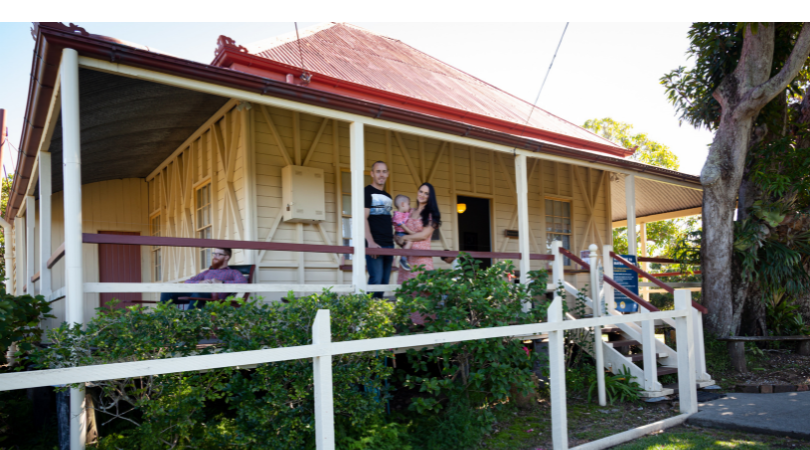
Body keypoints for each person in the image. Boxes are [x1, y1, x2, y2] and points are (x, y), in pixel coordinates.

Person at [160, 248, 247, 309]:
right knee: (167, 291)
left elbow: (243, 283)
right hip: (197, 293)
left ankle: (189, 326)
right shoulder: (207, 272)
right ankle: (166, 321)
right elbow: (187, 282)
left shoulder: (233, 272)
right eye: (214, 254)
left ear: (226, 257)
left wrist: (222, 283)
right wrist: (200, 282)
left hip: (214, 298)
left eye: (218, 254)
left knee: (197, 294)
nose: (215, 256)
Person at [395, 182, 442, 284]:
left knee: (422, 291)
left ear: (430, 197)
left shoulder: (431, 214)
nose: (422, 195)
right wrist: (398, 237)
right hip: (406, 258)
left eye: (426, 193)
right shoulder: (409, 211)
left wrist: (405, 237)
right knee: (406, 291)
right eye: (421, 191)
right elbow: (399, 226)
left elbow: (423, 235)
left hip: (422, 257)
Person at [365, 161, 394, 298]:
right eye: (378, 171)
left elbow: (386, 221)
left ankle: (377, 316)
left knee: (383, 283)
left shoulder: (388, 197)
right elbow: (363, 218)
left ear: (387, 174)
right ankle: (366, 315)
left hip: (389, 245)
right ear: (372, 174)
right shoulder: (367, 192)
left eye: (384, 171)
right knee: (375, 280)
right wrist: (370, 243)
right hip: (375, 244)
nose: (381, 174)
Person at [392, 194, 414, 271]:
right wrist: (412, 233)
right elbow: (403, 226)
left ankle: (402, 259)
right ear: (402, 204)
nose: (409, 206)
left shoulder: (405, 213)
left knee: (407, 245)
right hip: (400, 234)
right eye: (408, 204)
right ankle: (403, 259)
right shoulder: (397, 215)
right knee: (409, 242)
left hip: (404, 234)